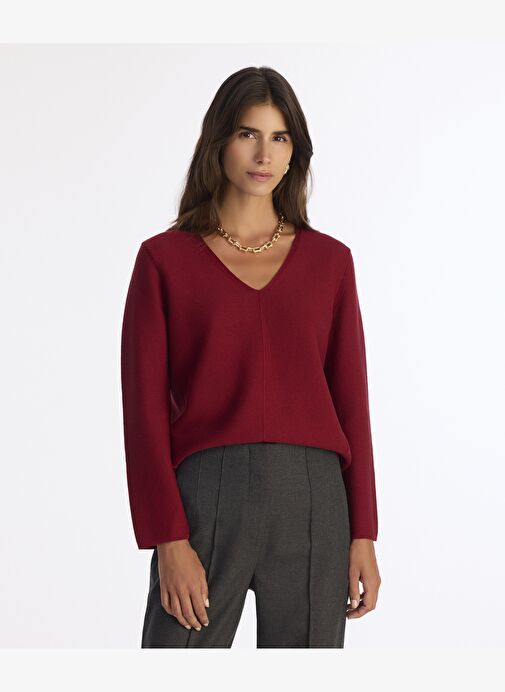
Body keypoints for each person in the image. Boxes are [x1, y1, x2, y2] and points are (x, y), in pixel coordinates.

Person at [120, 65, 381, 648]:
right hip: (205, 499)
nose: (264, 154)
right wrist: (168, 538)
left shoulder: (330, 262)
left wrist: (362, 531)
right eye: (247, 134)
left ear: (295, 152)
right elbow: (143, 413)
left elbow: (352, 404)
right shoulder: (164, 261)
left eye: (280, 137)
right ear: (219, 141)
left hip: (314, 500)